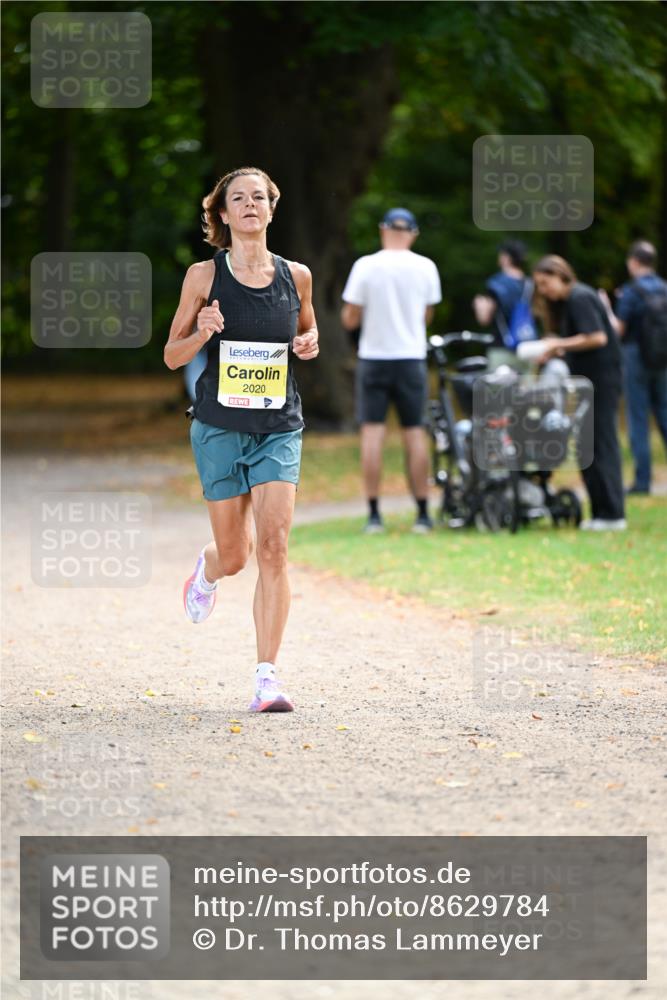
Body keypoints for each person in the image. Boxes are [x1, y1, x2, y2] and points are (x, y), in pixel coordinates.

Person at [164, 167, 319, 713]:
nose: (250, 204)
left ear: (271, 210)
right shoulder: (203, 276)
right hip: (219, 427)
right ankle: (207, 570)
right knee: (237, 554)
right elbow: (172, 355)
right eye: (239, 198)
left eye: (260, 197)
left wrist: (308, 343)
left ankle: (267, 679)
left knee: (274, 548)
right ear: (223, 214)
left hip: (278, 425)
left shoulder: (296, 275)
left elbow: (308, 329)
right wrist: (203, 331)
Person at [340, 207, 442, 534]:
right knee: (415, 433)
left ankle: (373, 514)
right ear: (412, 234)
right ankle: (423, 514)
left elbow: (350, 317)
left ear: (383, 230)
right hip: (411, 358)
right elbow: (427, 316)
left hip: (374, 358)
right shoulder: (426, 266)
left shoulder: (366, 266)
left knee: (372, 435)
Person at [532, 254, 625, 531]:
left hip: (601, 380)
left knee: (601, 444)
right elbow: (582, 341)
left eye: (545, 282)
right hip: (585, 382)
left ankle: (612, 514)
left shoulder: (579, 297)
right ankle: (600, 513)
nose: (543, 290)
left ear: (561, 276)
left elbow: (598, 337)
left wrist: (559, 343)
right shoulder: (568, 303)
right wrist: (557, 349)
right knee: (588, 446)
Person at [600, 240, 667, 495]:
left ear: (634, 262)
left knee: (638, 419)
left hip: (636, 357)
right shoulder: (664, 288)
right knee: (664, 414)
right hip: (662, 359)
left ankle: (642, 481)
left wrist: (607, 308)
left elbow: (618, 329)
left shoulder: (632, 291)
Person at [473, 239, 536, 349]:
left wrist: (479, 305)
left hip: (501, 345)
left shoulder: (496, 282)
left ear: (506, 257)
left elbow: (484, 319)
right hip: (527, 346)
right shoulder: (530, 284)